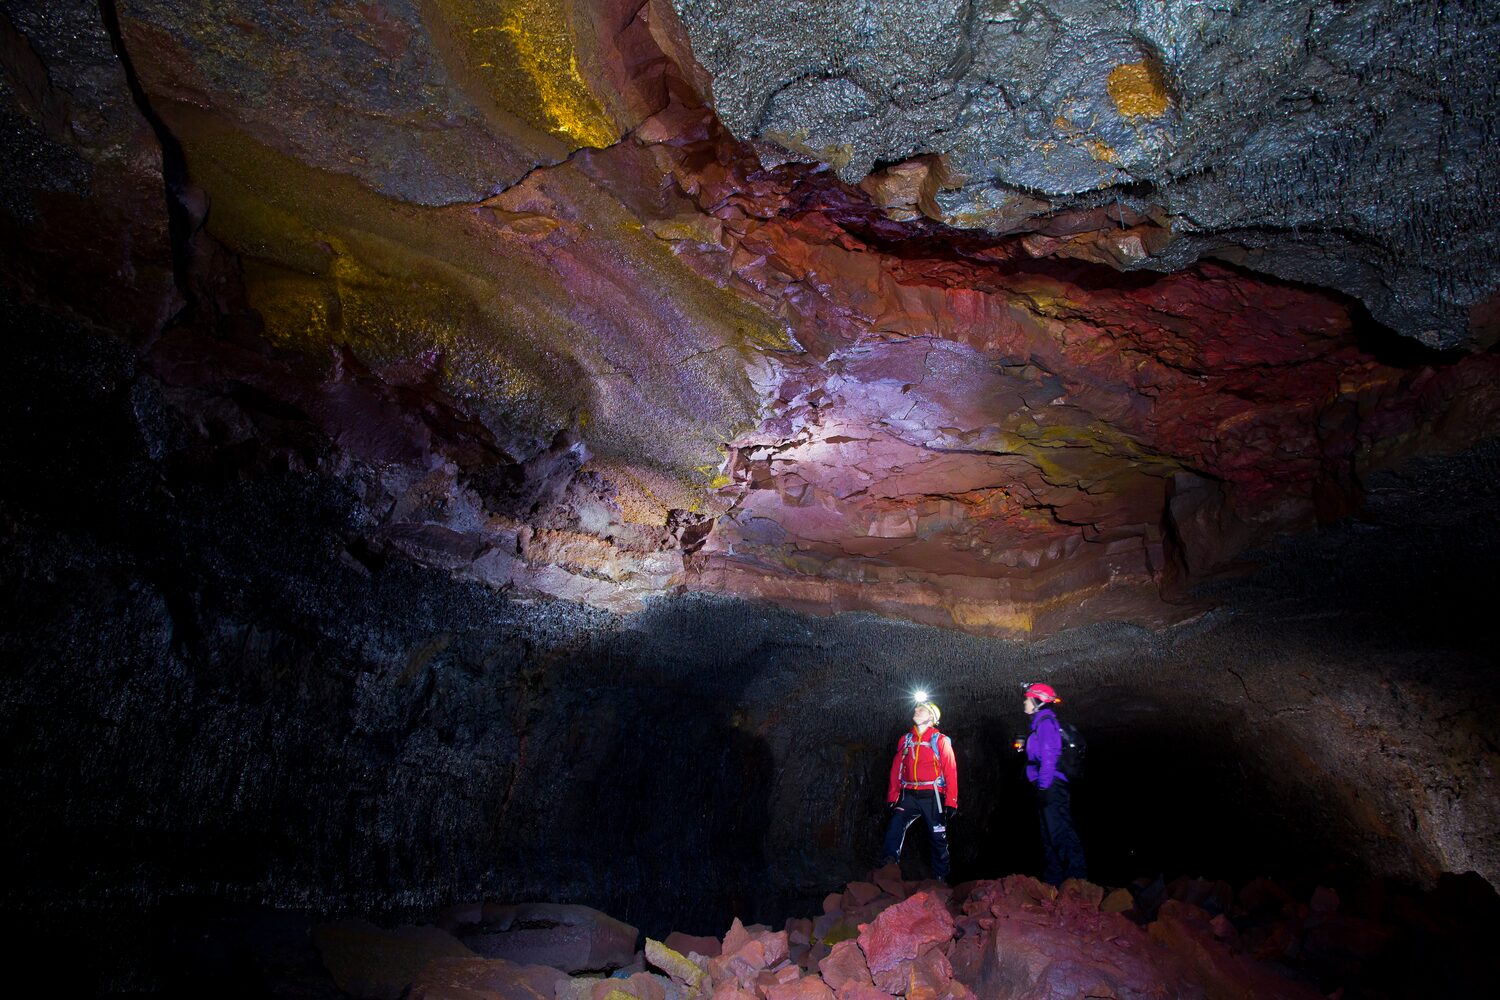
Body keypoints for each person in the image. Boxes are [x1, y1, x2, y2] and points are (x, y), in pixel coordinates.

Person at [879, 700, 958, 880]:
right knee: (895, 826)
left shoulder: (940, 741)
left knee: (937, 837)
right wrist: (893, 795)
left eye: (921, 709)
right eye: (916, 708)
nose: (916, 710)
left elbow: (950, 770)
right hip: (909, 795)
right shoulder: (905, 740)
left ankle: (941, 878)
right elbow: (897, 768)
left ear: (931, 716)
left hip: (932, 796)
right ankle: (888, 866)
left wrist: (951, 801)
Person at [1023, 682, 1087, 885]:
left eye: (1027, 698)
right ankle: (1055, 882)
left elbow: (1049, 756)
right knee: (1048, 834)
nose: (1024, 702)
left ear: (1037, 702)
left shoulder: (1046, 723)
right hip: (1046, 785)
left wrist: (1043, 787)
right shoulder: (1039, 724)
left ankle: (1077, 881)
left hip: (1052, 786)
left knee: (1060, 832)